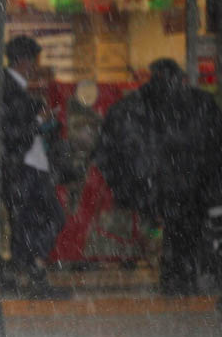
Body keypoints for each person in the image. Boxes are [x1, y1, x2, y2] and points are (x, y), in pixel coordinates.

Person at [94, 58, 222, 295]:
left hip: (160, 183)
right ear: (179, 77)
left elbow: (109, 148)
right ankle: (182, 276)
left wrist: (129, 183)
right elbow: (213, 145)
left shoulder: (133, 106)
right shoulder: (198, 104)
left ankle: (175, 276)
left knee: (172, 230)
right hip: (188, 183)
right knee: (185, 232)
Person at [0, 35, 65, 297]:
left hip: (30, 166)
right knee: (47, 217)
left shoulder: (15, 89)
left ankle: (28, 269)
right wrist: (38, 121)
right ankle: (31, 268)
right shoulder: (11, 91)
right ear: (24, 61)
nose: (36, 65)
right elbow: (11, 133)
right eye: (34, 60)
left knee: (29, 220)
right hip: (25, 167)